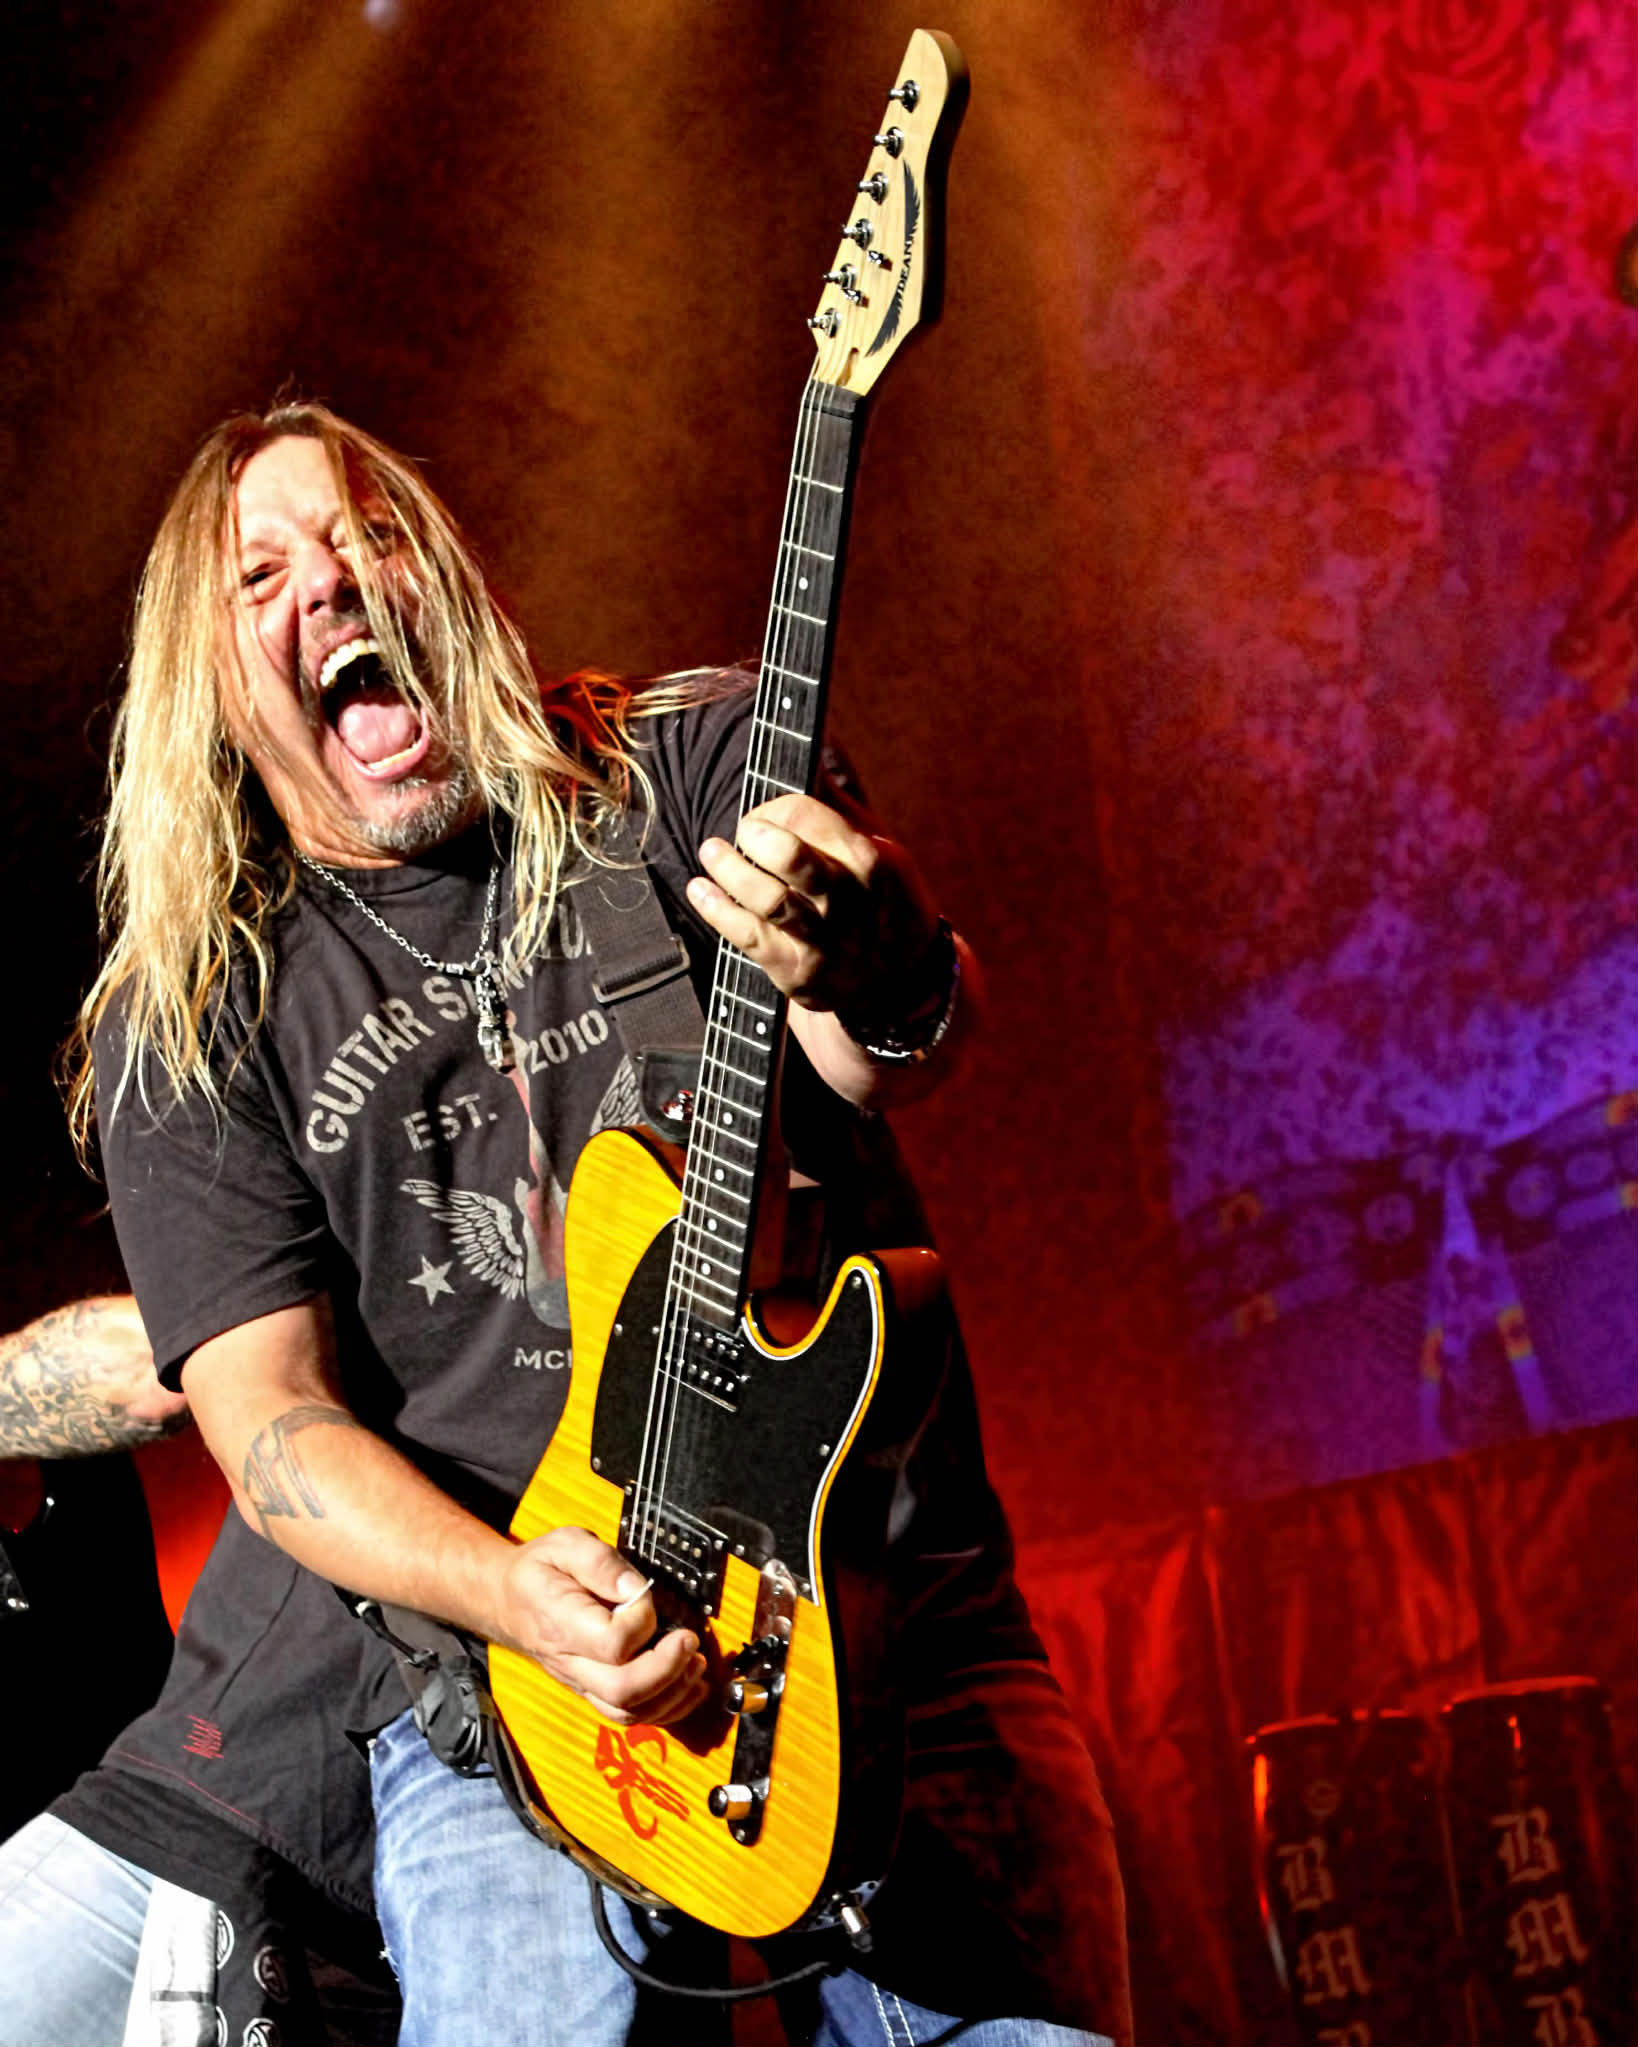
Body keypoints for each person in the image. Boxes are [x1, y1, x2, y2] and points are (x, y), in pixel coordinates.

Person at [0, 402, 1132, 2047]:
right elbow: (272, 1422)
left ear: (450, 580)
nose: (330, 583)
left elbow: (892, 1052)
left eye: (373, 534)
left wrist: (878, 961)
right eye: (260, 573)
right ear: (211, 682)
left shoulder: (674, 771)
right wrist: (517, 1596)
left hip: (893, 1652)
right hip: (512, 1716)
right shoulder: (200, 1010)